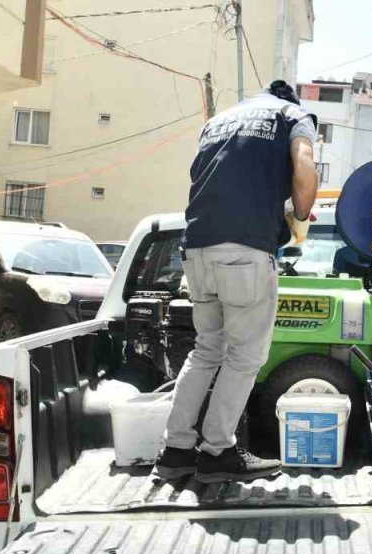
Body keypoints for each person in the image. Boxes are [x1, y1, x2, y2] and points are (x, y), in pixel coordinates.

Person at [151, 80, 318, 484]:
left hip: (197, 248)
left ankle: (175, 450)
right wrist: (300, 211)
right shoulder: (291, 115)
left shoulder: (219, 121)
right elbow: (304, 162)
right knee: (245, 356)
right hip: (243, 251)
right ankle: (217, 452)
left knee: (207, 349)